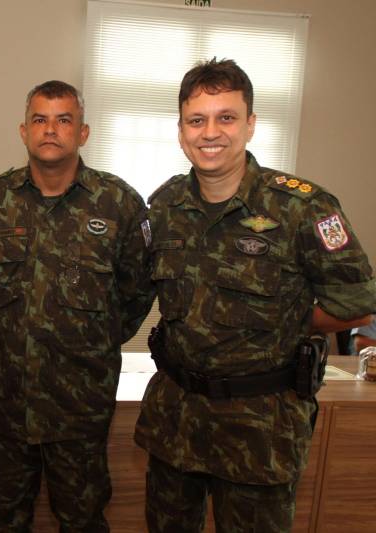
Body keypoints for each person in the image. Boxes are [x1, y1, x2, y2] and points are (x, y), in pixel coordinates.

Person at [134, 58, 376, 532]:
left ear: (251, 125)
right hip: (177, 418)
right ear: (181, 131)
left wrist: (293, 320)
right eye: (196, 120)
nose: (211, 133)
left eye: (226, 117)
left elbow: (357, 299)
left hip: (260, 426)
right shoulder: (163, 207)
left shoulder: (304, 207)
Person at [0, 80, 153, 531]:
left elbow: (136, 295)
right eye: (40, 120)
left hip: (81, 406)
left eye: (64, 120)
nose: (51, 130)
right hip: (7, 404)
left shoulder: (119, 203)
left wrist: (89, 345)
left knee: (83, 518)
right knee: (0, 518)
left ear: (83, 132)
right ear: (23, 130)